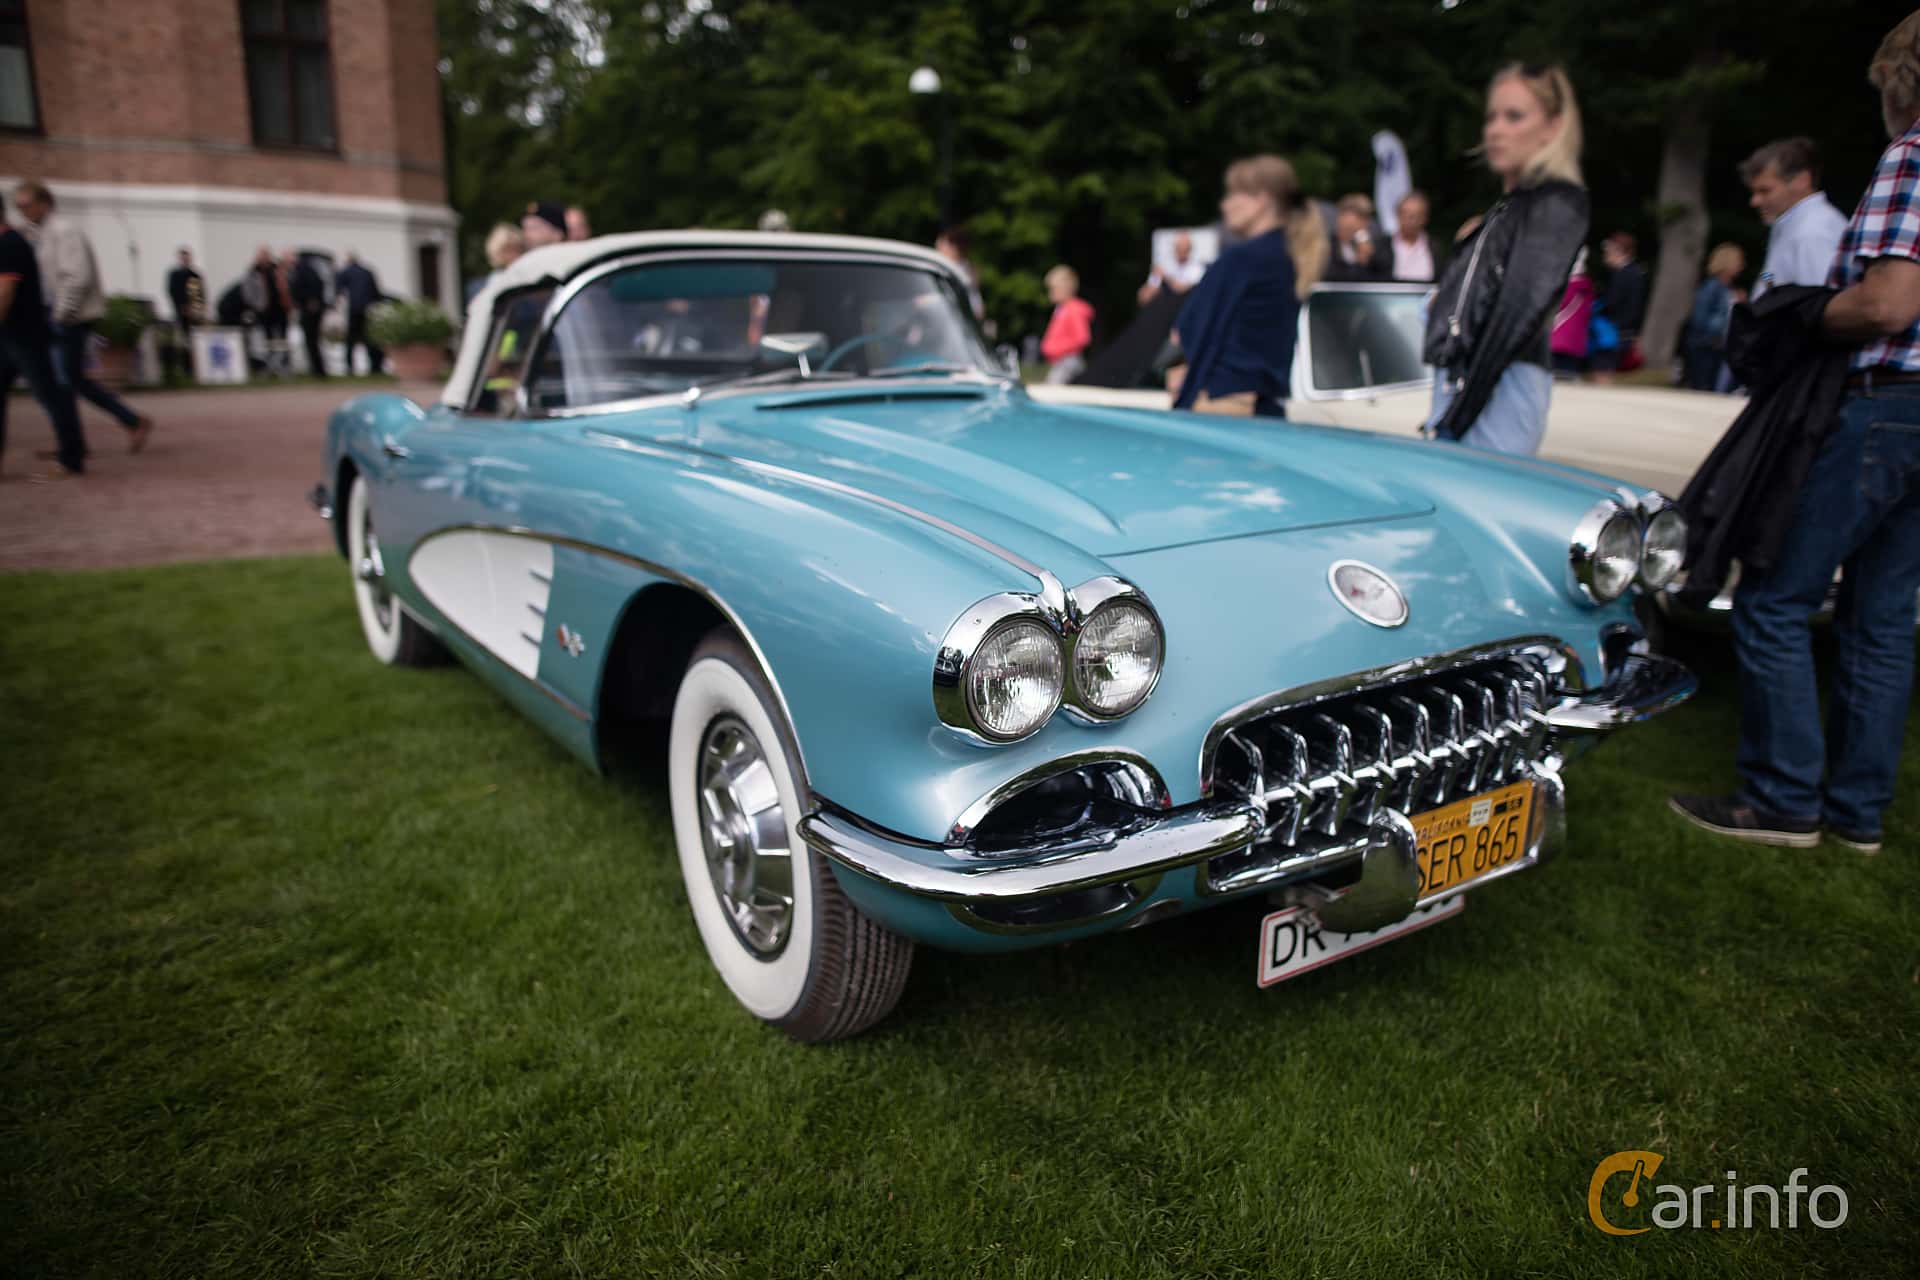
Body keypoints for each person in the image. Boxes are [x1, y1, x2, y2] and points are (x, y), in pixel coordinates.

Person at [1669, 9, 1920, 854]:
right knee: (1880, 619)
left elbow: (1888, 302)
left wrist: (1806, 311)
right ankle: (1856, 813)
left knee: (1774, 599)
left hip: (1882, 406)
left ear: (1900, 81)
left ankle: (1782, 800)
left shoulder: (1912, 155)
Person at [1422, 63, 1590, 455]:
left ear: (1553, 126)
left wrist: (1456, 418)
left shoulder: (1555, 204)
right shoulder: (1512, 210)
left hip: (1498, 387)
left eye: (1514, 116)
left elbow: (1512, 320)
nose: (1495, 129)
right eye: (1492, 117)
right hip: (1475, 385)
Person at [1169, 153, 1328, 417]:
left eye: (1232, 195)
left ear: (1261, 199)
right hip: (1267, 404)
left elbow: (1186, 330)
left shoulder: (1242, 259)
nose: (1224, 205)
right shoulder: (1292, 257)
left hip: (1223, 401)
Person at [11, 180, 154, 451]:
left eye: (26, 205)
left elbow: (76, 277)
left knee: (64, 380)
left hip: (69, 317)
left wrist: (60, 314)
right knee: (65, 380)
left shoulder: (64, 231)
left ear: (44, 203)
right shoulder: (35, 234)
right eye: (18, 206)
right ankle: (84, 437)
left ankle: (82, 440)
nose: (22, 211)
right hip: (53, 315)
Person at [0, 220, 88, 480]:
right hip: (11, 335)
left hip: (24, 335)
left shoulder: (10, 244)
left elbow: (5, 292)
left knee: (50, 395)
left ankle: (72, 457)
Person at [1741, 136, 1850, 297]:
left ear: (1802, 180)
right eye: (1754, 192)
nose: (1754, 201)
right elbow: (1772, 278)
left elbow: (1817, 307)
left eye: (1765, 191)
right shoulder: (1790, 226)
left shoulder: (1811, 233)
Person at [1682, 243, 1745, 392]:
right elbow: (1700, 317)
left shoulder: (1727, 289)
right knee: (1703, 388)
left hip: (1717, 346)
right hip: (1706, 345)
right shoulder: (1712, 287)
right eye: (1739, 261)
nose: (1741, 266)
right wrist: (1715, 336)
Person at [1590, 231, 1647, 380]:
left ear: (1619, 251)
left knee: (1603, 372)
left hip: (1613, 332)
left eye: (1608, 250)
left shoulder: (1624, 275)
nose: (1606, 254)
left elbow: (1614, 303)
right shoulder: (1635, 273)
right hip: (1623, 332)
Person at [1039, 265, 1093, 384]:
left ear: (1066, 288)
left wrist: (1055, 348)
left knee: (1052, 395)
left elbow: (1083, 338)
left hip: (1068, 362)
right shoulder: (1062, 309)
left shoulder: (1074, 309)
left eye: (1053, 288)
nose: (1050, 292)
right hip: (1061, 362)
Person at [335, 251, 384, 375]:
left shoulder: (345, 272)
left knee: (351, 339)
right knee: (369, 338)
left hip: (354, 309)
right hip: (367, 309)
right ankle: (375, 366)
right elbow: (376, 292)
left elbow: (339, 290)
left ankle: (349, 367)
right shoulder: (367, 272)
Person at [1324, 193, 1392, 282]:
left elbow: (1383, 279)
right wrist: (1359, 262)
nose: (1342, 231)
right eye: (1341, 226)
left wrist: (1364, 257)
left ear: (1365, 224)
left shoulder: (1380, 247)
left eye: (1350, 228)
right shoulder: (1328, 245)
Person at [1550, 247, 1595, 378]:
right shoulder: (1586, 286)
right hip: (1575, 338)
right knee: (1569, 371)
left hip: (1559, 335)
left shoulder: (1570, 285)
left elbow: (1560, 305)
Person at [286, 250, 329, 378]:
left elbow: (316, 285)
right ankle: (317, 370)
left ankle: (318, 371)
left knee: (311, 340)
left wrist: (312, 300)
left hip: (309, 309)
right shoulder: (303, 269)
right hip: (307, 308)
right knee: (312, 340)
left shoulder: (303, 269)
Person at [465, 222, 526, 309]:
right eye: (507, 249)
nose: (513, 254)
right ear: (497, 251)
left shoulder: (529, 280)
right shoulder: (478, 286)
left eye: (518, 249)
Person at [1137, 231, 1207, 306]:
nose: (1181, 250)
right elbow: (1146, 295)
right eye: (1178, 247)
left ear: (1190, 248)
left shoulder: (1197, 268)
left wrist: (1165, 277)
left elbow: (1181, 290)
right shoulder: (1164, 265)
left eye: (1184, 247)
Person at [935, 225, 986, 322]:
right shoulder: (959, 270)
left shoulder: (960, 273)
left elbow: (977, 310)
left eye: (942, 246)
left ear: (953, 248)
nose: (939, 251)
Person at [1388, 191, 1436, 283]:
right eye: (1404, 214)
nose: (1409, 220)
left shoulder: (1435, 248)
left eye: (1415, 216)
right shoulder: (1381, 247)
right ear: (1397, 215)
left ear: (1425, 218)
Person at [166, 247, 204, 337]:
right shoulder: (175, 275)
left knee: (196, 333)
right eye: (183, 258)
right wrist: (182, 306)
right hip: (180, 310)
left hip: (195, 311)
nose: (185, 260)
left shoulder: (195, 275)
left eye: (187, 258)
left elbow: (200, 293)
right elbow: (172, 291)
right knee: (183, 332)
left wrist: (196, 307)